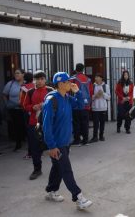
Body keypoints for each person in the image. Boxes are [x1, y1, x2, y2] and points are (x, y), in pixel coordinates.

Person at [42, 72, 93, 210]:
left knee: (58, 168)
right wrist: (52, 146)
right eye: (67, 82)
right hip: (57, 144)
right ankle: (79, 198)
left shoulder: (67, 97)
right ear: (60, 84)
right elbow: (46, 127)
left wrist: (78, 93)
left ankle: (51, 191)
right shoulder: (51, 101)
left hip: (65, 142)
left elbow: (81, 106)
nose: (71, 84)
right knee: (66, 170)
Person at [23, 70, 53, 180]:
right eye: (37, 79)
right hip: (34, 123)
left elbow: (56, 105)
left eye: (41, 79)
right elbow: (25, 106)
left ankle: (58, 168)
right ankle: (37, 169)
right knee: (35, 148)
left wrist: (45, 105)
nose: (39, 81)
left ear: (45, 79)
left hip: (49, 123)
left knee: (53, 146)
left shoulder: (50, 91)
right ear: (34, 80)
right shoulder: (30, 92)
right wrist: (33, 107)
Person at [2, 68, 27, 151]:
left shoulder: (27, 84)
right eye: (15, 73)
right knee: (16, 126)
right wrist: (7, 104)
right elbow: (4, 94)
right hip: (14, 109)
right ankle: (18, 143)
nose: (16, 75)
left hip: (25, 109)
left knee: (26, 125)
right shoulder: (11, 84)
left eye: (18, 73)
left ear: (23, 74)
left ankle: (26, 141)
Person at [71, 63, 93, 146]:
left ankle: (77, 140)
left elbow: (68, 88)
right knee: (85, 123)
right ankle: (85, 140)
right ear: (83, 69)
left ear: (76, 69)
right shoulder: (88, 79)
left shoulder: (73, 79)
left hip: (77, 104)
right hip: (86, 104)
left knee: (76, 123)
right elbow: (91, 92)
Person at [89, 73, 111, 143]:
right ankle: (95, 137)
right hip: (95, 108)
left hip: (103, 108)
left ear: (101, 78)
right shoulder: (92, 86)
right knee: (95, 123)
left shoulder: (106, 86)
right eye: (95, 77)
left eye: (97, 77)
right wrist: (95, 96)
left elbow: (109, 97)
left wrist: (102, 94)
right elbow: (90, 97)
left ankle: (101, 136)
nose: (96, 79)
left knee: (102, 123)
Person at [20, 72, 35, 159]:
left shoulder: (23, 88)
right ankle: (40, 151)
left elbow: (21, 102)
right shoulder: (36, 86)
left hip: (28, 112)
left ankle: (30, 153)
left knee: (30, 134)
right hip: (38, 111)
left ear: (24, 79)